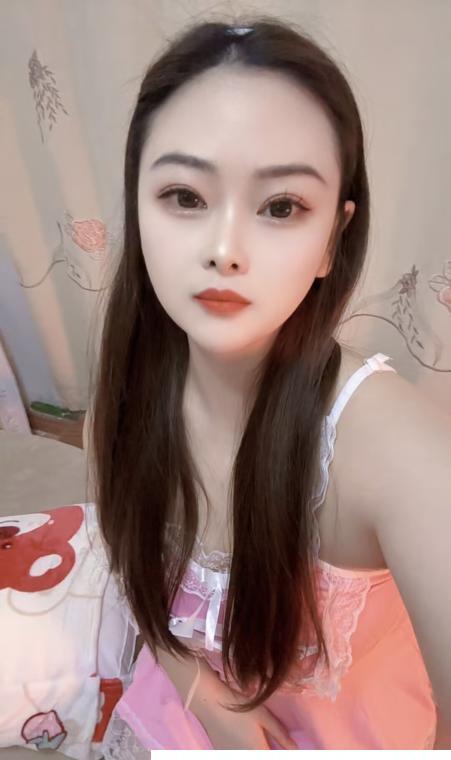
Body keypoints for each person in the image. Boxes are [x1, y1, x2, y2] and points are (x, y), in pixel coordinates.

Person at [88, 16, 451, 752]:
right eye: (184, 196)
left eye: (281, 206)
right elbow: (129, 561)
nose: (225, 249)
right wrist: (204, 696)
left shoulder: (400, 451)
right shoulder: (126, 392)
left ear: (331, 241)